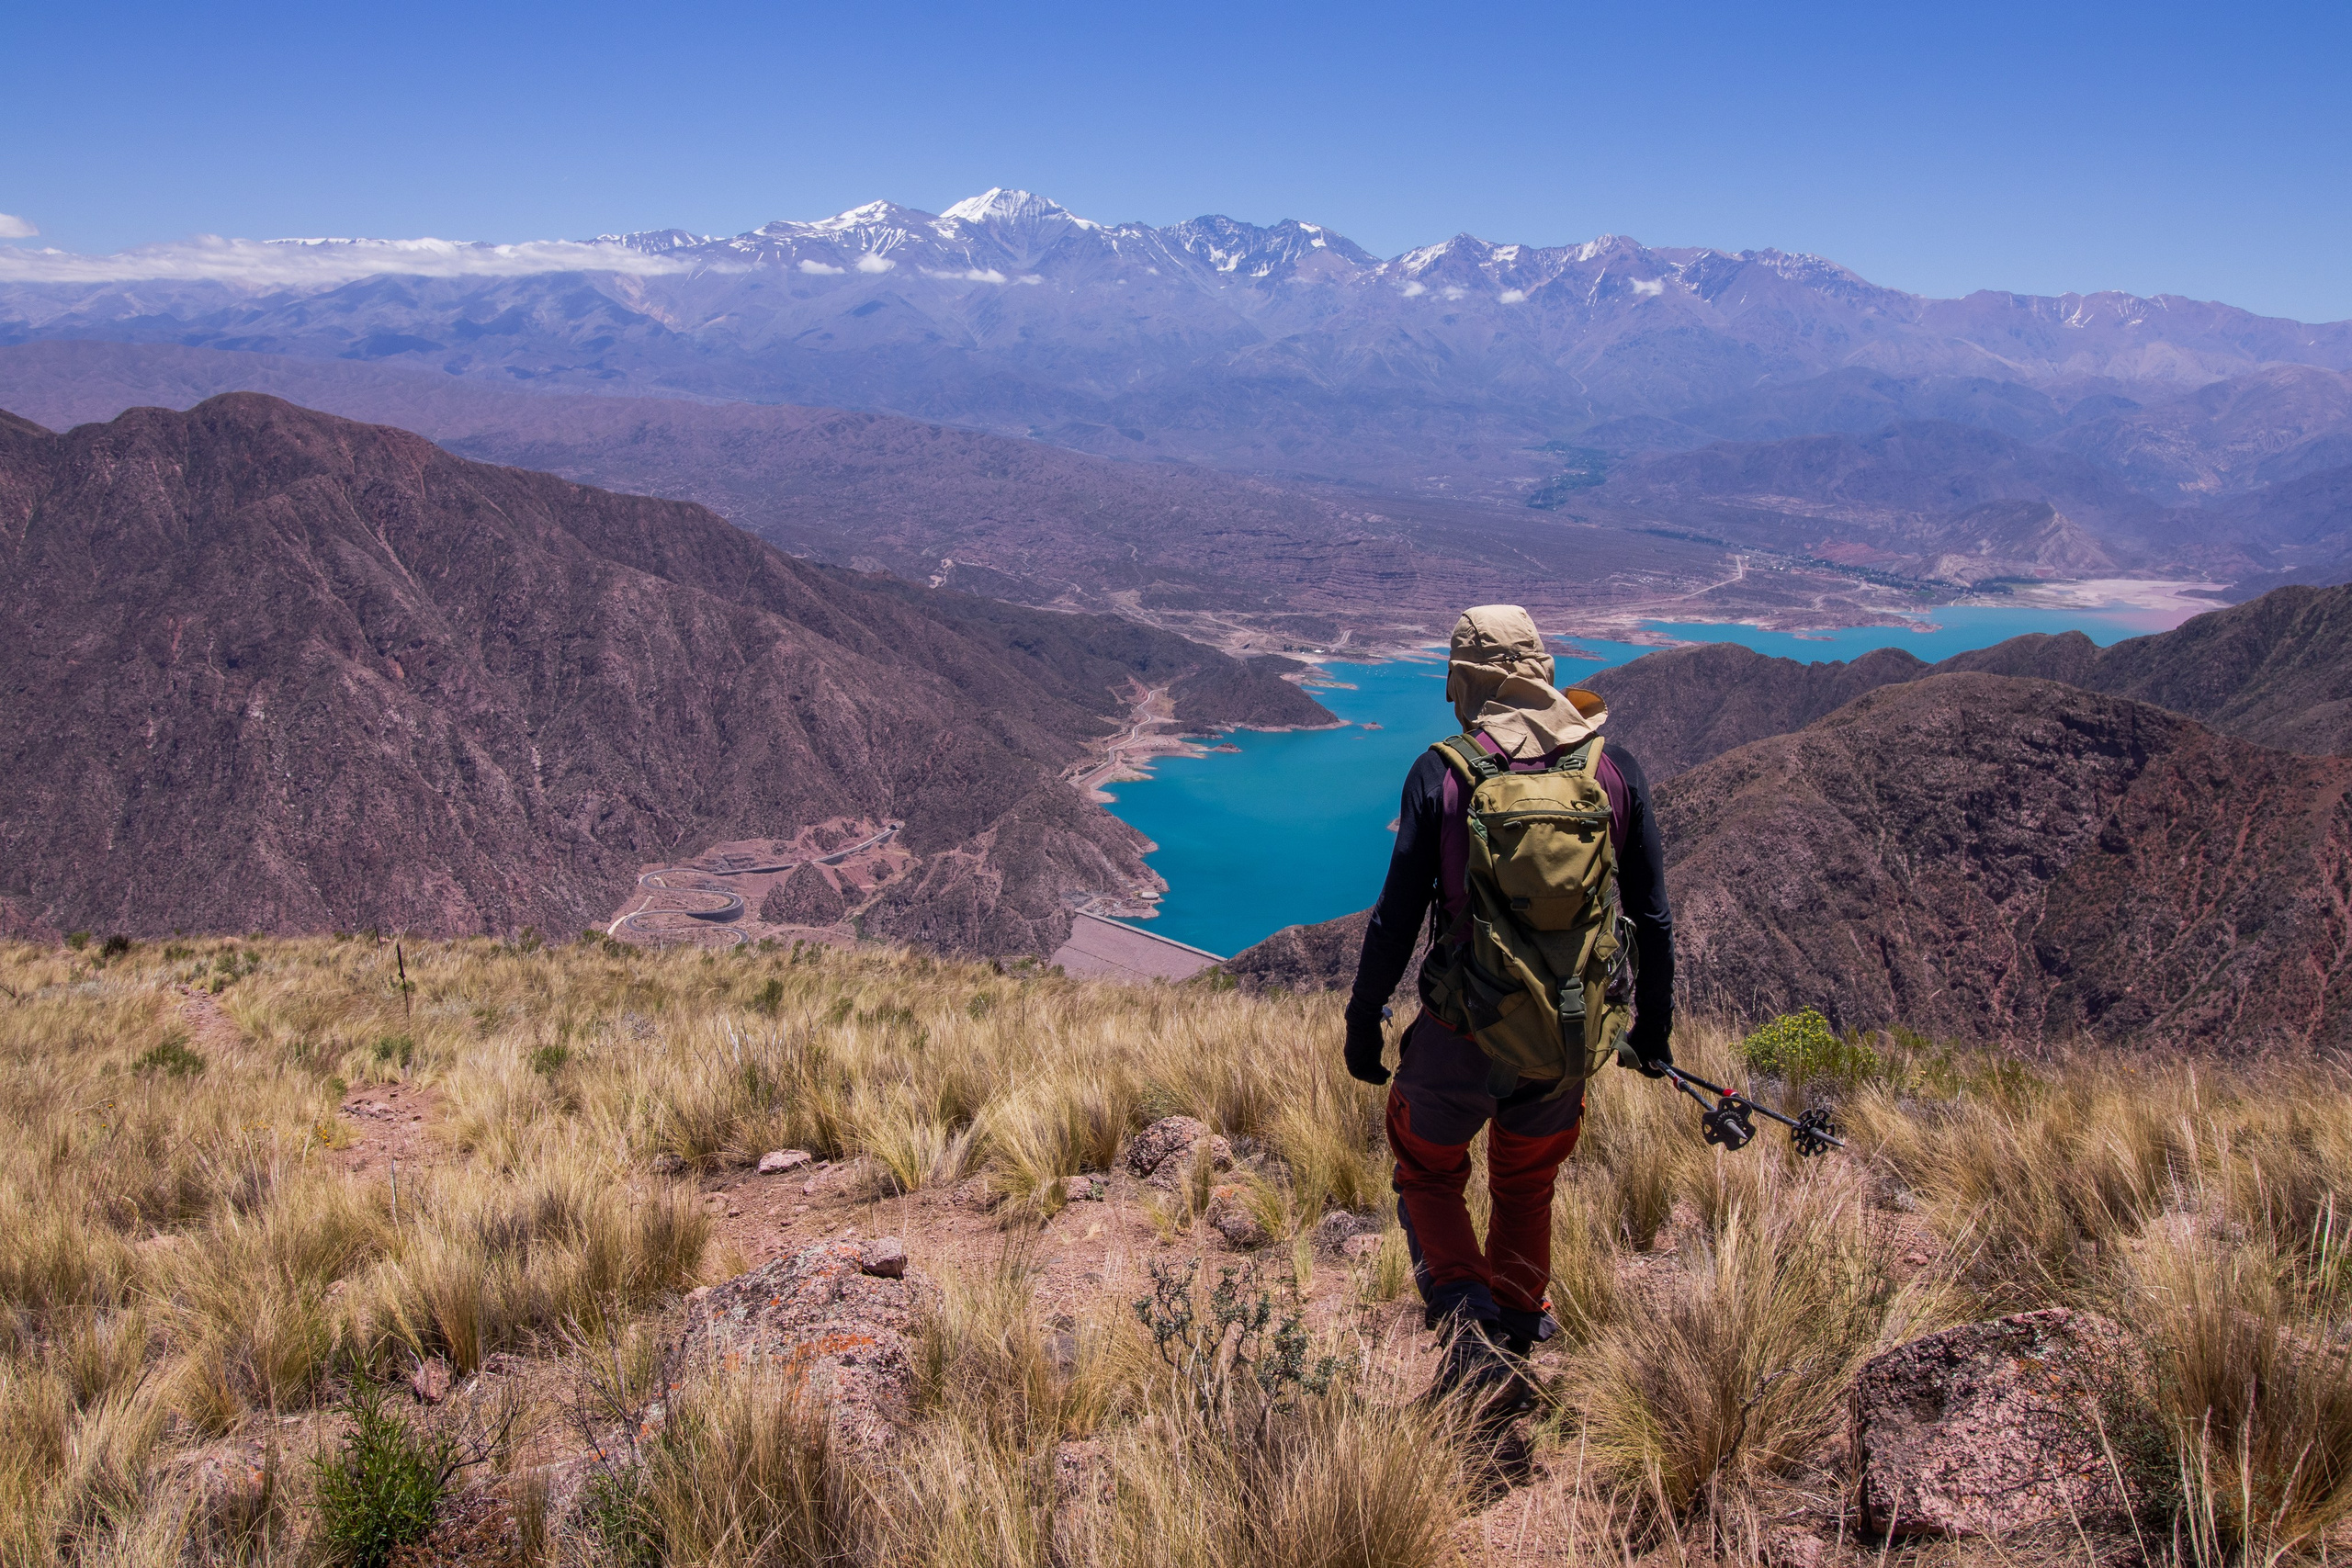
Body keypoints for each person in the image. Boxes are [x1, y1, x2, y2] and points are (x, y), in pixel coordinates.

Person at [1341, 604, 1675, 1409]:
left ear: (1471, 681)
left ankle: (1466, 1323)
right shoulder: (1612, 769)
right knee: (1526, 1185)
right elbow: (1653, 918)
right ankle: (1520, 1331)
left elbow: (1395, 917)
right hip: (1562, 1034)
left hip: (1460, 1031)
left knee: (1427, 1168)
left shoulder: (1443, 772)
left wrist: (1364, 1018)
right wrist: (1652, 1031)